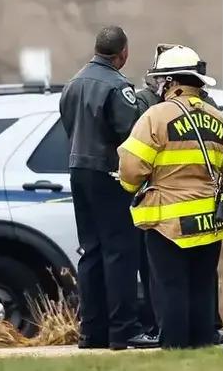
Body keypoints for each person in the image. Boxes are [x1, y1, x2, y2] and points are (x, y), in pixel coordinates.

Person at [117, 44, 223, 349]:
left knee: (170, 286)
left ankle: (175, 349)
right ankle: (202, 344)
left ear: (171, 82)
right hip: (209, 223)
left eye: (161, 80)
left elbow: (131, 167)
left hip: (169, 224)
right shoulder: (221, 120)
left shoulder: (156, 117)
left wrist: (131, 187)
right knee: (203, 285)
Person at [59, 25, 158, 350]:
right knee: (121, 252)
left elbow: (68, 124)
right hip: (108, 174)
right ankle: (123, 330)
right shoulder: (117, 87)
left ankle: (92, 332)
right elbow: (130, 133)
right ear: (123, 53)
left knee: (91, 251)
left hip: (78, 170)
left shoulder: (72, 83)